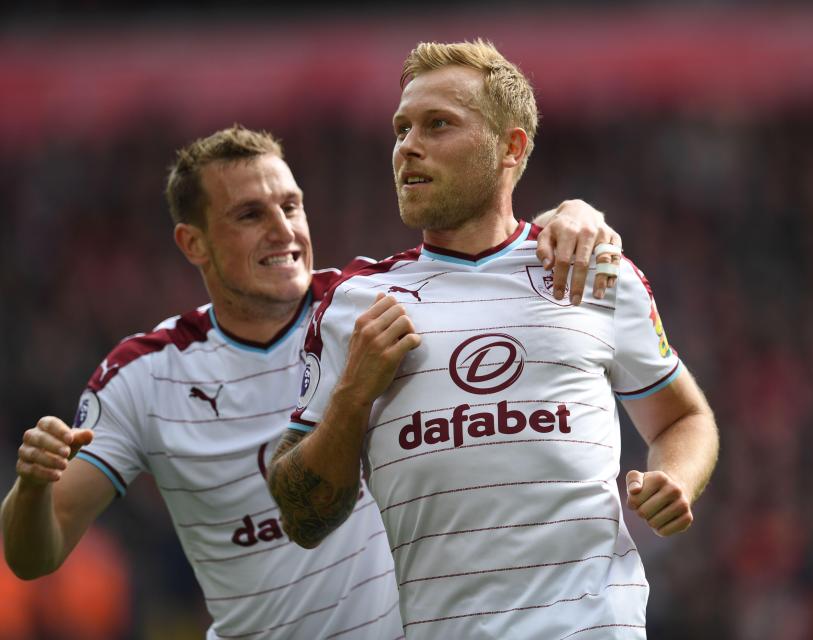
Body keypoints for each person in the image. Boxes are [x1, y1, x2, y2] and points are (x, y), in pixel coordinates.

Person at [1, 125, 623, 639]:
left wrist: (574, 216)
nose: (283, 229)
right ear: (193, 243)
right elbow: (34, 556)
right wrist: (30, 489)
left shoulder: (375, 304)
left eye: (290, 205)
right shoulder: (142, 376)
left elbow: (493, 253)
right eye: (250, 214)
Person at [269, 39, 720, 639]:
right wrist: (352, 395)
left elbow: (683, 418)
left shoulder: (592, 268)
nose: (409, 146)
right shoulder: (354, 302)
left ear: (511, 147)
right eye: (401, 128)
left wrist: (675, 479)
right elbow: (303, 517)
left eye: (438, 124)